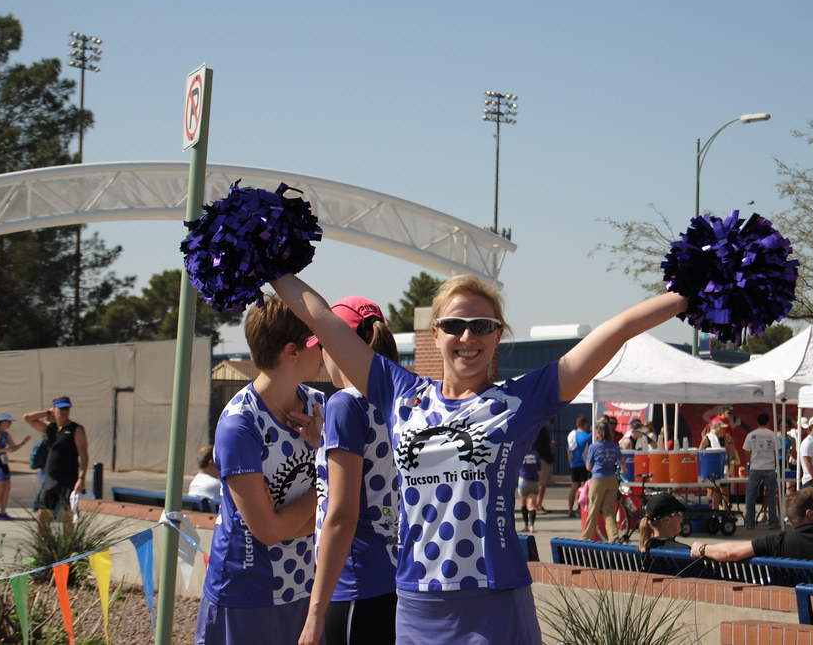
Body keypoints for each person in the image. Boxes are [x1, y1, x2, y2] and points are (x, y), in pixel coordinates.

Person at [271, 272, 687, 644]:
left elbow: (618, 330)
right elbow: (320, 317)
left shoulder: (519, 400)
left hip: (495, 603)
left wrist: (693, 292)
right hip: (416, 603)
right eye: (454, 325)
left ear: (498, 334)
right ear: (436, 334)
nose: (467, 337)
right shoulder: (400, 392)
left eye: (482, 326)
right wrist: (270, 263)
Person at [195, 295, 324, 645]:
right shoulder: (240, 424)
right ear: (292, 351)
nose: (324, 348)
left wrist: (292, 521)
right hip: (247, 592)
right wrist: (326, 492)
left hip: (306, 584)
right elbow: (268, 531)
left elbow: (342, 510)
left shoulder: (319, 407)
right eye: (317, 339)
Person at [301, 296, 401, 645]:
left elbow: (342, 515)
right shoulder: (395, 396)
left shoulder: (344, 403)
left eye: (323, 344)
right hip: (393, 572)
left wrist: (315, 610)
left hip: (355, 579)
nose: (321, 356)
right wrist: (324, 445)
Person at [24, 396, 88, 520]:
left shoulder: (76, 429)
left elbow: (84, 455)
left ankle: (69, 534)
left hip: (68, 480)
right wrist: (47, 413)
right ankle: (44, 534)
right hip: (50, 480)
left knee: (66, 517)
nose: (64, 412)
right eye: (61, 409)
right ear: (54, 409)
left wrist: (81, 478)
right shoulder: (51, 428)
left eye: (67, 409)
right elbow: (27, 418)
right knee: (43, 515)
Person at [582, 419, 623, 542]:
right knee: (608, 510)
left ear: (598, 433)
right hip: (612, 479)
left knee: (593, 509)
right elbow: (622, 461)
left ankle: (586, 537)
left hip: (598, 479)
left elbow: (588, 467)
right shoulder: (614, 446)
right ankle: (613, 536)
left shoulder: (594, 447)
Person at [0, 413, 30, 520]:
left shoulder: (6, 434)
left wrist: (23, 443)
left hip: (3, 460)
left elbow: (13, 448)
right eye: (9, 422)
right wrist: (5, 449)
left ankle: (3, 511)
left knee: (7, 486)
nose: (10, 424)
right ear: (2, 422)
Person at [743, 412, 779, 530]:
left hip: (755, 468)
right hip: (769, 467)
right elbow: (776, 452)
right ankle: (772, 521)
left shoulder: (751, 435)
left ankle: (750, 522)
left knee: (751, 496)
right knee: (771, 495)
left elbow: (747, 452)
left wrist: (751, 461)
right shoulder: (772, 435)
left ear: (757, 422)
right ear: (768, 422)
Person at [699, 420, 733, 510]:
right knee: (712, 491)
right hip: (710, 469)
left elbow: (730, 454)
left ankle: (724, 510)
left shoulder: (723, 440)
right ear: (717, 429)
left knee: (724, 490)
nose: (725, 431)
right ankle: (710, 509)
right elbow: (699, 453)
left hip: (722, 468)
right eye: (723, 429)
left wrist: (729, 442)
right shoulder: (707, 439)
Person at [566, 416, 592, 519]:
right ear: (585, 424)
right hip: (584, 464)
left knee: (573, 488)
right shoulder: (588, 436)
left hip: (574, 464)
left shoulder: (571, 435)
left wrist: (571, 463)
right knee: (584, 488)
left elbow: (568, 450)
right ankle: (582, 510)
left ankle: (570, 510)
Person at [532, 419, 556, 514]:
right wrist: (550, 446)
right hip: (543, 459)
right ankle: (537, 505)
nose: (550, 424)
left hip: (543, 458)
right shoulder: (540, 430)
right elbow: (539, 446)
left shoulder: (539, 430)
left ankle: (538, 504)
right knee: (542, 484)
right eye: (550, 422)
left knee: (542, 484)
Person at [519, 447, 541, 534]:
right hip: (534, 480)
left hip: (523, 479)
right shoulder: (535, 453)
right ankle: (532, 526)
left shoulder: (519, 452)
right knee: (532, 505)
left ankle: (526, 525)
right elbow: (539, 467)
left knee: (523, 503)